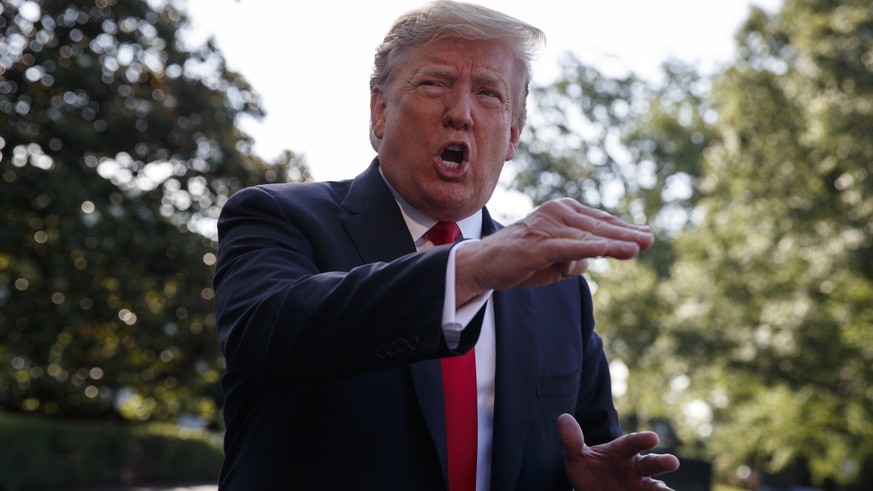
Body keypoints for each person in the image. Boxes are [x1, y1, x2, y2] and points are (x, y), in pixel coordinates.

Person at [212, 1, 680, 489]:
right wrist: (468, 270)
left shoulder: (561, 293)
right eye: (433, 84)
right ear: (379, 110)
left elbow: (588, 450)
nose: (460, 113)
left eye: (488, 94)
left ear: (513, 137)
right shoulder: (275, 216)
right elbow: (268, 337)